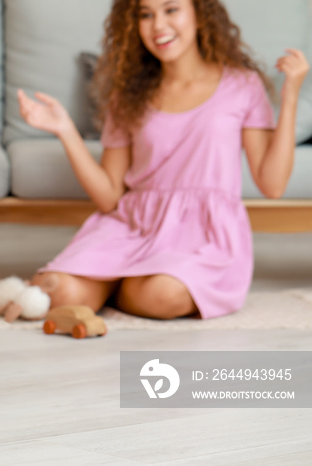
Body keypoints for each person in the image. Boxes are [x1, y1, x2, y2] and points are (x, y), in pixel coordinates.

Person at [17, 0, 309, 320]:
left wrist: (290, 96)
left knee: (164, 295)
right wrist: (66, 130)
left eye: (171, 10)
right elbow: (109, 197)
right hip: (132, 226)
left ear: (200, 14)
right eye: (146, 14)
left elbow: (272, 184)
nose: (158, 25)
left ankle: (112, 287)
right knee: (58, 292)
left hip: (202, 236)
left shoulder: (243, 85)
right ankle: (113, 282)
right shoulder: (128, 95)